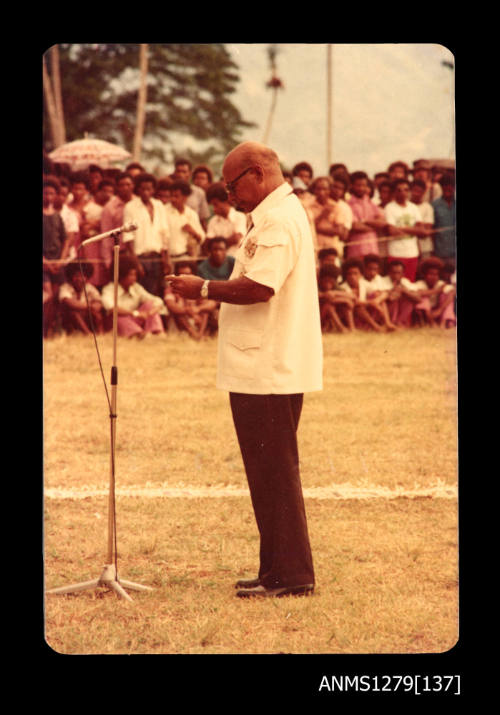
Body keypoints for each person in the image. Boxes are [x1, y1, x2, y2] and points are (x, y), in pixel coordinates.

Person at [165, 141, 322, 599]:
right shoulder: (269, 215)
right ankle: (274, 569)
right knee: (265, 470)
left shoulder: (279, 219)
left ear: (257, 172)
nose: (228, 194)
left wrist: (204, 288)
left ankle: (292, 575)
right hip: (259, 364)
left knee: (275, 470)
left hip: (269, 368)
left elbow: (260, 287)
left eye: (232, 185)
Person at [123, 173, 171, 296]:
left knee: (156, 291)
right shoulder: (130, 207)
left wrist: (165, 259)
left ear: (153, 190)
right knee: (141, 291)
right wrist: (136, 263)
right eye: (142, 189)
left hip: (157, 257)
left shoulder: (159, 205)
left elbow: (164, 232)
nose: (145, 192)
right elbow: (128, 237)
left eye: (148, 189)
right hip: (140, 257)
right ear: (138, 189)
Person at [101, 255, 167, 338]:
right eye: (131, 275)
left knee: (149, 305)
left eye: (135, 275)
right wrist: (135, 313)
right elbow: (111, 309)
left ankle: (156, 332)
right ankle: (140, 335)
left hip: (134, 320)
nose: (134, 278)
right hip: (117, 324)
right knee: (118, 318)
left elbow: (157, 300)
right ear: (121, 275)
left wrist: (151, 312)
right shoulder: (109, 289)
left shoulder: (136, 287)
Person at [384, 179, 433, 282]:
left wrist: (402, 228)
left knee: (409, 283)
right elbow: (392, 231)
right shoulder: (389, 207)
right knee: (395, 283)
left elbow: (421, 230)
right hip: (395, 253)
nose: (403, 193)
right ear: (394, 192)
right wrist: (413, 229)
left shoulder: (413, 207)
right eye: (399, 190)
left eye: (406, 190)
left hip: (412, 253)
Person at [43, 178, 70, 337]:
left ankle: (50, 328)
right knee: (47, 295)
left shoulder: (57, 216)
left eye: (52, 193)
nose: (48, 196)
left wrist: (61, 259)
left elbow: (65, 239)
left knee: (55, 298)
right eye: (45, 193)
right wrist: (45, 262)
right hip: (44, 264)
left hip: (57, 262)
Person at [164, 262, 218, 339]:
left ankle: (200, 334)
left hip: (198, 319)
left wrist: (198, 309)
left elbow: (212, 303)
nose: (185, 277)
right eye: (182, 275)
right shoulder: (170, 289)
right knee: (178, 312)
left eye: (188, 274)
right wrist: (187, 311)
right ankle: (195, 335)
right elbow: (171, 306)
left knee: (207, 311)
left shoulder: (199, 288)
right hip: (182, 322)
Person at [338, 258, 394, 331]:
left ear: (361, 274)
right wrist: (370, 303)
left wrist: (377, 300)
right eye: (349, 274)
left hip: (365, 314)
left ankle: (388, 323)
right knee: (359, 307)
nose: (352, 276)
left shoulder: (363, 283)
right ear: (345, 275)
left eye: (355, 273)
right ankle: (376, 327)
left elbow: (385, 293)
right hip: (352, 316)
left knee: (377, 296)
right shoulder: (343, 287)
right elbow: (355, 302)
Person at [99, 172, 136, 282]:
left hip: (139, 254)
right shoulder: (109, 207)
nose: (125, 188)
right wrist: (108, 262)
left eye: (128, 184)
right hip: (120, 254)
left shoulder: (139, 203)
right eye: (122, 185)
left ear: (133, 185)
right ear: (117, 187)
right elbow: (106, 236)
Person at [346, 171, 388, 259]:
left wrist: (364, 221)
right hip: (356, 250)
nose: (361, 188)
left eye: (364, 185)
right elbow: (355, 226)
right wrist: (374, 226)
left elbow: (383, 223)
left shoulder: (371, 203)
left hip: (373, 249)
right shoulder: (348, 205)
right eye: (358, 185)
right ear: (352, 186)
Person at [164, 180, 206, 262]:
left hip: (186, 258)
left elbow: (202, 238)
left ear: (185, 197)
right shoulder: (164, 211)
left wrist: (192, 231)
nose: (173, 199)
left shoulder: (191, 214)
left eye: (176, 196)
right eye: (171, 196)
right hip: (168, 258)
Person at [59, 261, 104, 335]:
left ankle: (101, 334)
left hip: (86, 316)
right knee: (74, 313)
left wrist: (92, 307)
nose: (79, 279)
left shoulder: (90, 288)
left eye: (82, 276)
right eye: (76, 276)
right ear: (71, 277)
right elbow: (70, 303)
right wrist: (90, 306)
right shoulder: (65, 287)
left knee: (97, 314)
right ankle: (88, 334)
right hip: (69, 319)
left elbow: (98, 304)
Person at [204, 183, 247, 257]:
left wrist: (217, 244)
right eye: (212, 205)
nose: (214, 209)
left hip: (237, 259)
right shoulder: (213, 221)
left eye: (216, 204)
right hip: (221, 264)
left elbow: (236, 239)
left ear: (226, 201)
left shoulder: (240, 217)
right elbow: (208, 245)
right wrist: (229, 241)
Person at [413, 257, 456, 328]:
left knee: (447, 297)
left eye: (436, 275)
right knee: (424, 298)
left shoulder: (440, 284)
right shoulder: (420, 283)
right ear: (424, 275)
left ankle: (445, 322)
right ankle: (430, 322)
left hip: (437, 311)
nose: (433, 277)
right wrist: (437, 291)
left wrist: (440, 310)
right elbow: (419, 293)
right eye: (431, 274)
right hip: (424, 313)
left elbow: (452, 293)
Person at [307, 176, 345, 256]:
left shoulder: (335, 206)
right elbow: (307, 229)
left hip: (332, 250)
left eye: (324, 189)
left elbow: (339, 231)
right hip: (313, 249)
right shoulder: (308, 206)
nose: (321, 192)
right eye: (318, 189)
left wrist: (317, 228)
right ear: (314, 190)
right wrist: (322, 215)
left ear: (330, 190)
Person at [172, 157, 211, 230]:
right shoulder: (169, 191)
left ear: (189, 173)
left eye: (184, 172)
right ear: (174, 173)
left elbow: (202, 220)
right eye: (178, 171)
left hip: (194, 233)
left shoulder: (199, 192)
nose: (180, 174)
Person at [381, 259, 421, 327]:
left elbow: (419, 299)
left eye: (399, 273)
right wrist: (394, 291)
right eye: (394, 272)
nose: (396, 275)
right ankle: (390, 323)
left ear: (403, 274)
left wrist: (404, 291)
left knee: (409, 299)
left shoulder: (405, 281)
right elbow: (389, 298)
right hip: (385, 311)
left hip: (398, 312)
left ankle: (398, 322)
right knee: (394, 298)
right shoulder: (382, 281)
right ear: (389, 273)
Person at [317, 264, 353, 333]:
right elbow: (327, 298)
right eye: (326, 281)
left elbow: (352, 296)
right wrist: (344, 300)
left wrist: (335, 293)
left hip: (330, 316)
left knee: (345, 306)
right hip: (319, 316)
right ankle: (341, 328)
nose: (328, 284)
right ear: (320, 279)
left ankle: (351, 328)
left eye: (331, 281)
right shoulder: (316, 286)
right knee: (329, 306)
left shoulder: (335, 286)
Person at [431, 174, 456, 271]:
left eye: (451, 187)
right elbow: (431, 229)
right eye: (445, 186)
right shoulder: (434, 205)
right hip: (440, 252)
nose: (448, 189)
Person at [410, 179, 435, 262]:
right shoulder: (406, 206)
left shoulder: (428, 207)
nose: (416, 194)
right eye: (414, 190)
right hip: (409, 248)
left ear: (424, 192)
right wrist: (418, 228)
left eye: (419, 191)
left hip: (425, 248)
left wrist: (411, 228)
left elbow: (426, 231)